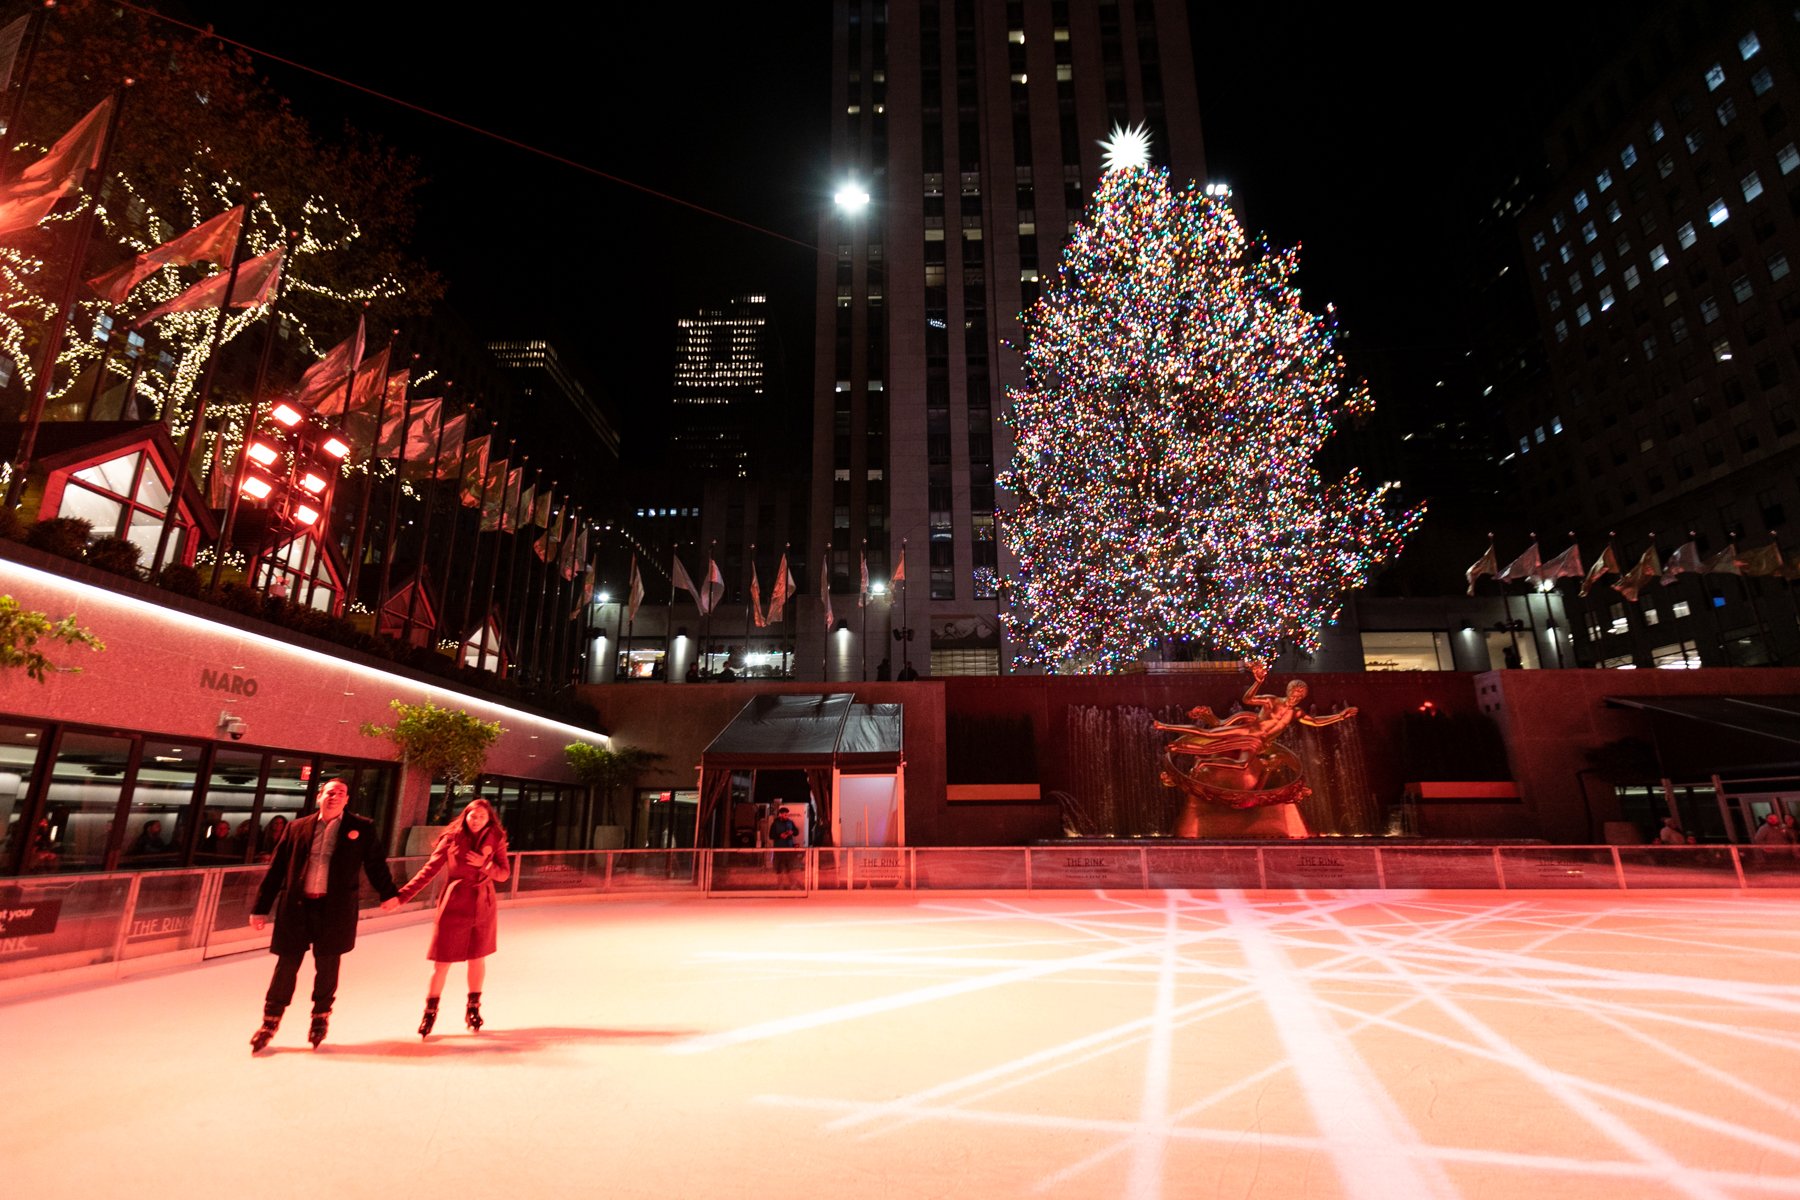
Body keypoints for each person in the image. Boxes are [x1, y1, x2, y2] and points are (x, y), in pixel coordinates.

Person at [248, 778, 400, 1053]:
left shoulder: (360, 827)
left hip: (334, 908)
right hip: (297, 906)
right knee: (287, 964)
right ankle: (271, 1019)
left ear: (347, 799)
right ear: (320, 796)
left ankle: (320, 1016)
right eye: (330, 792)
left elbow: (375, 864)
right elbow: (277, 869)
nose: (335, 796)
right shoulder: (297, 827)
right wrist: (260, 907)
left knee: (328, 963)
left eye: (341, 793)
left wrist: (388, 893)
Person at [395, 797, 511, 1039]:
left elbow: (503, 874)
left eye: (481, 816)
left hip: (483, 905)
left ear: (489, 818)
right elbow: (429, 870)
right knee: (442, 962)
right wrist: (402, 896)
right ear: (465, 816)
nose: (476, 820)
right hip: (454, 904)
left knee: (477, 958)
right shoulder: (451, 839)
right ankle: (430, 1012)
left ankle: (473, 1008)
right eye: (472, 815)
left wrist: (485, 865)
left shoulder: (496, 838)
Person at [769, 805, 802, 886]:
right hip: (779, 849)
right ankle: (779, 884)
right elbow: (771, 835)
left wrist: (792, 832)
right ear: (780, 814)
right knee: (779, 868)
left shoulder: (790, 822)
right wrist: (780, 836)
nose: (787, 816)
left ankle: (791, 884)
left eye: (787, 814)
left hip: (789, 849)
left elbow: (796, 832)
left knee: (789, 867)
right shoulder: (775, 824)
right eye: (785, 814)